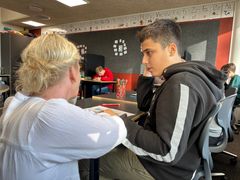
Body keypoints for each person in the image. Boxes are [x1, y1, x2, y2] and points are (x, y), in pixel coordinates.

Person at [96, 19, 226, 180]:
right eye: (143, 54)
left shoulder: (180, 85)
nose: (143, 60)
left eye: (149, 52)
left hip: (165, 170)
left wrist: (122, 124)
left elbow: (167, 151)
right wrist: (148, 70)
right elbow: (145, 105)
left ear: (171, 49)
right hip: (181, 161)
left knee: (91, 161)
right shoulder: (184, 77)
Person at [0, 34, 127, 180]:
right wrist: (115, 118)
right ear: (72, 72)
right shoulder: (49, 114)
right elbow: (113, 132)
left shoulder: (15, 104)